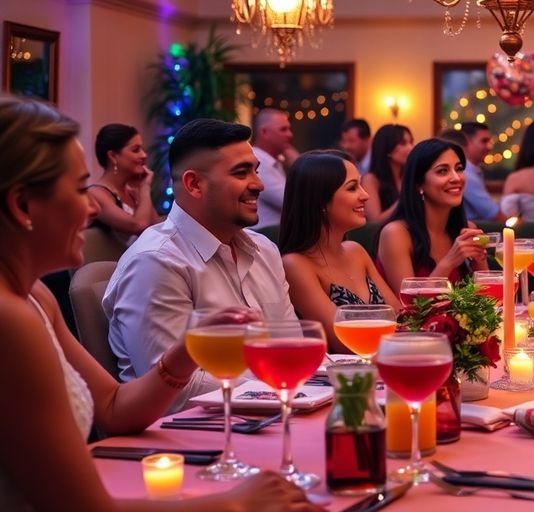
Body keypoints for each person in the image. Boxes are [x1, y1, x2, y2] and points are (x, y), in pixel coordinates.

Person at [0, 95, 317, 511]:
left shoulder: (36, 297)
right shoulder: (10, 318)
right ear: (22, 205)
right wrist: (232, 505)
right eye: (81, 189)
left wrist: (186, 354)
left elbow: (113, 409)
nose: (95, 205)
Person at [103, 118, 298, 412]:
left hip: (268, 418)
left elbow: (291, 345)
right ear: (194, 184)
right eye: (242, 172)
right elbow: (176, 392)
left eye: (256, 171)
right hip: (187, 440)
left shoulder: (265, 250)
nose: (258, 184)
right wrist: (276, 382)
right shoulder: (157, 261)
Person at [279, 150, 400, 353]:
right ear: (320, 202)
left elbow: (401, 319)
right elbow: (344, 343)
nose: (365, 195)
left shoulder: (356, 251)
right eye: (352, 188)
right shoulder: (295, 264)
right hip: (339, 380)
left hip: (385, 370)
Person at [374, 138, 488, 293]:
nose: (456, 178)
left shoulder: (466, 229)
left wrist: (479, 259)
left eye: (459, 169)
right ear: (419, 184)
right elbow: (411, 310)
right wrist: (449, 262)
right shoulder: (396, 234)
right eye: (442, 171)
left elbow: (487, 299)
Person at [87, 123, 160, 245]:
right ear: (113, 156)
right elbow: (139, 226)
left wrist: (141, 192)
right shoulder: (96, 194)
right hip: (108, 263)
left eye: (142, 149)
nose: (144, 155)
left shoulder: (132, 192)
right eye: (136, 150)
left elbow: (158, 231)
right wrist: (145, 188)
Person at [251, 108, 298, 230]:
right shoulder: (257, 162)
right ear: (265, 132)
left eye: (289, 129)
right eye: (283, 129)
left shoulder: (273, 161)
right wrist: (299, 165)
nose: (290, 134)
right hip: (265, 237)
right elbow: (295, 202)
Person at [362, 124, 413, 222]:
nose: (410, 148)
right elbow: (375, 220)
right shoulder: (371, 179)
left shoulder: (408, 177)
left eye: (411, 142)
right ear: (387, 148)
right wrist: (405, 198)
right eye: (403, 143)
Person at [458, 122, 504, 222]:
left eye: (489, 142)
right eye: (484, 141)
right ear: (466, 141)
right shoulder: (466, 173)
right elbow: (495, 215)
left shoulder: (474, 170)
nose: (489, 147)